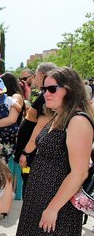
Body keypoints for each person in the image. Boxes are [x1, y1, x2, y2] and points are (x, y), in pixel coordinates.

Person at [16, 67, 94, 235]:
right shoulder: (58, 116)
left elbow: (79, 173)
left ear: (70, 90)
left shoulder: (78, 120)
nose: (46, 93)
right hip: (39, 198)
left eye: (52, 89)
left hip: (58, 205)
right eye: (44, 89)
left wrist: (52, 209)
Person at [14, 62, 57, 195]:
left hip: (33, 154)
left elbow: (41, 127)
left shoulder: (46, 96)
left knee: (31, 189)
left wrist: (26, 152)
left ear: (41, 75)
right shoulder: (44, 95)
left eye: (36, 75)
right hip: (32, 152)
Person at [0, 73, 25, 200]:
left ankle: (6, 197)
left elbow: (11, 119)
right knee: (4, 166)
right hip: (3, 136)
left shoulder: (15, 96)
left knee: (4, 167)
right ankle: (8, 195)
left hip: (7, 137)